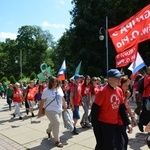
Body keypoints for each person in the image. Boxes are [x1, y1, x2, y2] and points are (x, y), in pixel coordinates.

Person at [91, 69, 132, 150]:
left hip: (115, 124)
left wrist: (127, 123)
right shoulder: (102, 92)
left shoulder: (119, 90)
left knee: (119, 145)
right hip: (104, 125)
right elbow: (94, 111)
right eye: (117, 78)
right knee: (105, 146)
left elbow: (122, 109)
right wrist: (96, 127)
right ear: (110, 79)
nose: (119, 80)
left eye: (120, 77)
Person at [38, 76, 67, 148]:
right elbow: (42, 102)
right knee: (57, 123)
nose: (55, 83)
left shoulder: (59, 88)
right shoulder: (46, 90)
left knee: (53, 123)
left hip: (59, 109)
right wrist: (40, 111)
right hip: (50, 110)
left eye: (56, 81)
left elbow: (62, 98)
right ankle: (57, 141)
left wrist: (65, 106)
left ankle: (48, 130)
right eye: (54, 82)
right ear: (50, 82)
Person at [119, 75, 136, 150]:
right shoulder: (119, 94)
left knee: (123, 140)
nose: (127, 88)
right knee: (124, 140)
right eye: (125, 85)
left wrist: (132, 117)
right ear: (120, 84)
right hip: (118, 121)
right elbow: (121, 107)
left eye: (128, 86)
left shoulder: (125, 93)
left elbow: (128, 107)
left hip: (123, 121)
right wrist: (126, 98)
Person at [138, 66, 150, 132]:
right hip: (147, 98)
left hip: (146, 97)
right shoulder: (148, 78)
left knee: (145, 112)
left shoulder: (146, 77)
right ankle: (141, 123)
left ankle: (141, 122)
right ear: (148, 71)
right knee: (148, 113)